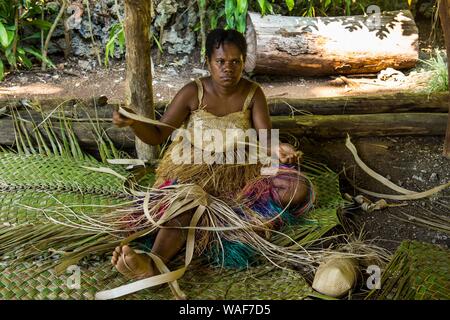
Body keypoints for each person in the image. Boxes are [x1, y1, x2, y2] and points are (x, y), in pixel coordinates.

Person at [109, 29, 316, 282]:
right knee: (187, 203)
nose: (227, 68)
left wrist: (279, 149)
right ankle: (153, 264)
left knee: (296, 187)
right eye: (220, 61)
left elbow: (266, 139)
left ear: (243, 62)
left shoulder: (252, 93)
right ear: (208, 62)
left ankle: (225, 220)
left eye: (235, 62)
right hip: (193, 169)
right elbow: (156, 135)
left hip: (241, 168)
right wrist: (133, 122)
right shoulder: (192, 92)